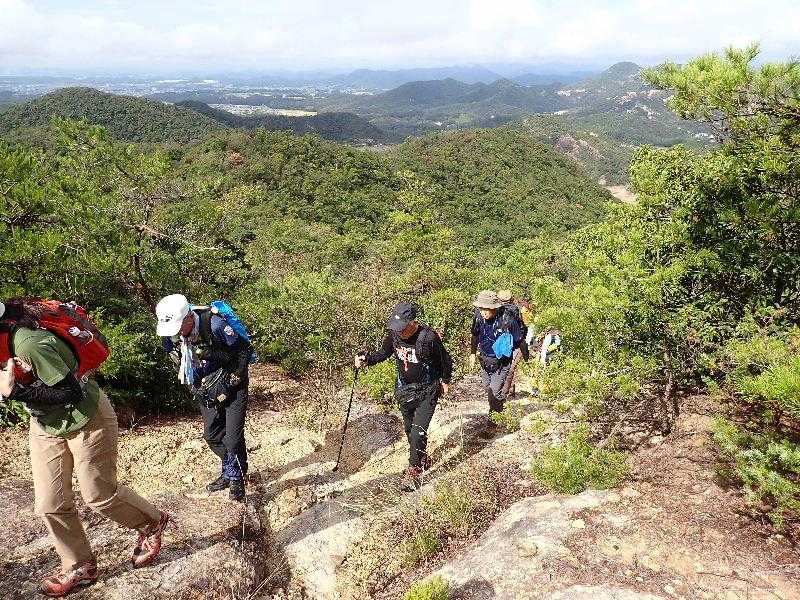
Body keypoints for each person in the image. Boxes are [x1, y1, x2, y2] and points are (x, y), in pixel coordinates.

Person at [0, 299, 170, 597]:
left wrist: (16, 392)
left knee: (99, 494)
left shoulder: (29, 344)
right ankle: (79, 565)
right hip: (46, 424)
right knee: (49, 503)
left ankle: (152, 522)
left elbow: (71, 391)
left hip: (87, 418)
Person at [156, 294, 252, 502]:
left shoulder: (215, 325)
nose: (175, 334)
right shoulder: (171, 336)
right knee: (212, 435)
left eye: (178, 328)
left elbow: (243, 351)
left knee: (233, 438)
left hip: (233, 383)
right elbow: (176, 360)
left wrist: (234, 378)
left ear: (189, 317)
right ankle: (230, 469)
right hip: (205, 386)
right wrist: (193, 386)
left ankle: (237, 479)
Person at [355, 302, 452, 491]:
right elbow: (383, 354)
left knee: (417, 432)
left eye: (403, 328)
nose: (399, 331)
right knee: (409, 430)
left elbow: (445, 360)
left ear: (413, 322)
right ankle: (421, 458)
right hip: (404, 390)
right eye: (397, 327)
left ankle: (414, 471)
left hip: (428, 390)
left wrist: (445, 381)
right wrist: (366, 360)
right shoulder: (395, 335)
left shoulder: (428, 337)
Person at [469, 290, 528, 431]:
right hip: (485, 360)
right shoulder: (478, 316)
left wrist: (526, 358)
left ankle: (492, 424)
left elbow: (520, 340)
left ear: (494, 307)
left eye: (487, 309)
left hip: (502, 362)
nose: (483, 312)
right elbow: (475, 335)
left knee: (494, 392)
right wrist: (472, 353)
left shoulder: (508, 319)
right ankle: (500, 405)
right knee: (488, 389)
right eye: (481, 308)